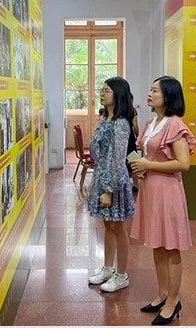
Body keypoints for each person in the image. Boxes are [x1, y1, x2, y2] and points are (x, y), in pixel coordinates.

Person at [129, 76, 196, 325]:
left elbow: (183, 164)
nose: (149, 93)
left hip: (167, 191)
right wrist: (140, 167)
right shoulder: (151, 122)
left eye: (154, 90)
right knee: (157, 244)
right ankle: (162, 294)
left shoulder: (174, 124)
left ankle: (173, 300)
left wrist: (148, 164)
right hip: (150, 188)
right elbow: (145, 153)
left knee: (171, 247)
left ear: (168, 96)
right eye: (150, 89)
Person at [87, 77, 136, 292]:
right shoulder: (105, 118)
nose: (102, 93)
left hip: (113, 181)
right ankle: (107, 268)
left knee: (118, 228)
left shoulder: (121, 124)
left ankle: (122, 274)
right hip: (101, 177)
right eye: (102, 90)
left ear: (117, 94)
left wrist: (108, 190)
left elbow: (117, 159)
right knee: (107, 225)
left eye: (106, 90)